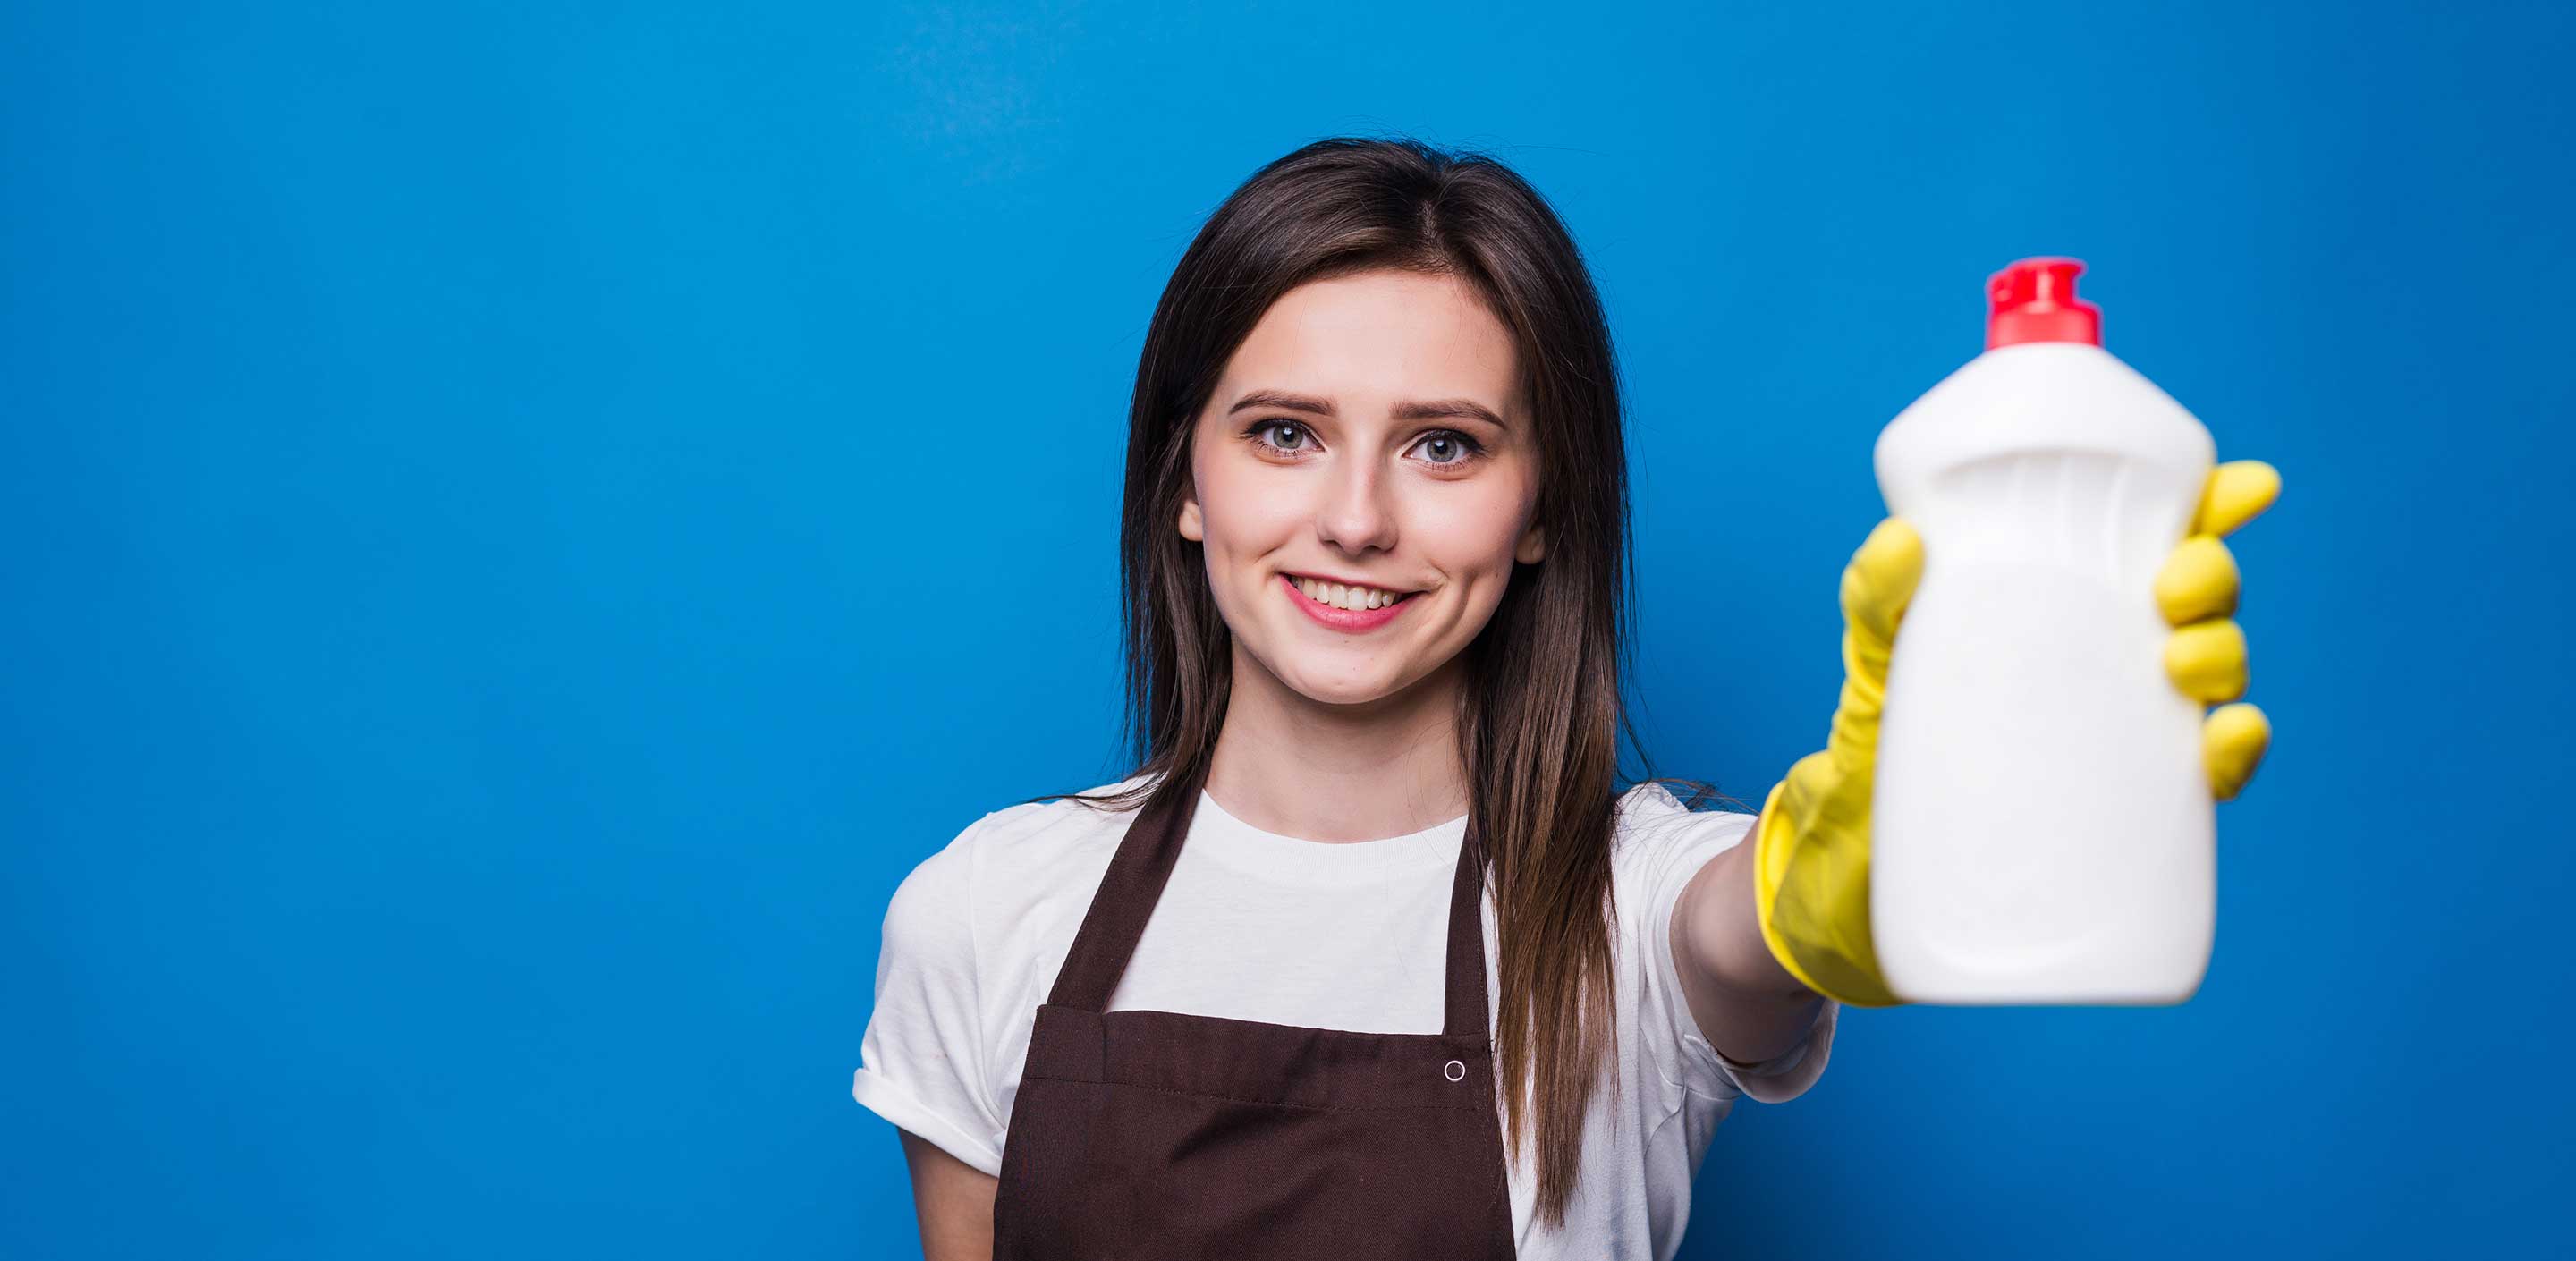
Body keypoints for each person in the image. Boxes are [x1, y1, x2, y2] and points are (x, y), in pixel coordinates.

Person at [849, 136, 2277, 1261]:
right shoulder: (984, 914)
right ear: (1185, 481)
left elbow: (1745, 924)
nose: (1355, 518)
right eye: (1285, 432)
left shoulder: (1629, 917)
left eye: (1445, 447)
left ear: (1541, 507)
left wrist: (1879, 845)